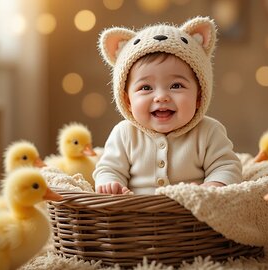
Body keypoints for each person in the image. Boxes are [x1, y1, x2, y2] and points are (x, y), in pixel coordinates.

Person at [94, 16, 242, 194]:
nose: (161, 97)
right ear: (127, 101)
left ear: (198, 97)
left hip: (191, 215)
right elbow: (107, 168)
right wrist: (110, 183)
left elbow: (227, 167)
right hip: (134, 217)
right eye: (146, 87)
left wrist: (212, 187)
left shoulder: (208, 131)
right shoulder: (125, 133)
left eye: (176, 86)